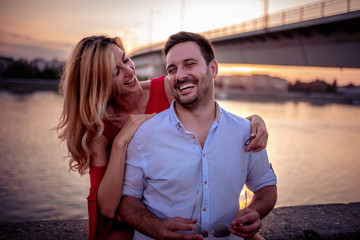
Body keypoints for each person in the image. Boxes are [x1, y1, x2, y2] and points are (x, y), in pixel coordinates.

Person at [56, 35, 269, 240]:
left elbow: (211, 116)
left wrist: (253, 120)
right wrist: (121, 142)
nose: (129, 71)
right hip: (125, 215)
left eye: (126, 60)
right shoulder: (101, 128)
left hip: (166, 205)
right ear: (98, 83)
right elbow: (108, 208)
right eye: (115, 72)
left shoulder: (167, 87)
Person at [118, 31, 277, 240]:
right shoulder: (144, 134)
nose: (180, 75)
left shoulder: (246, 132)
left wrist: (255, 211)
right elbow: (127, 200)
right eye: (172, 69)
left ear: (213, 69)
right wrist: (156, 227)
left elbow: (266, 187)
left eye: (189, 64)